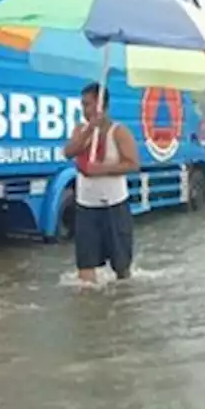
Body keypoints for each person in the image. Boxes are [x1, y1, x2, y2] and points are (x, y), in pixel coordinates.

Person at [63, 83, 140, 283]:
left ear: (100, 105)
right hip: (86, 207)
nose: (84, 110)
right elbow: (68, 152)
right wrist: (89, 131)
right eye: (82, 105)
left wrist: (103, 169)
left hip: (114, 206)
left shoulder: (119, 132)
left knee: (121, 268)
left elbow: (133, 164)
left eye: (87, 105)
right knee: (85, 266)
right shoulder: (81, 130)